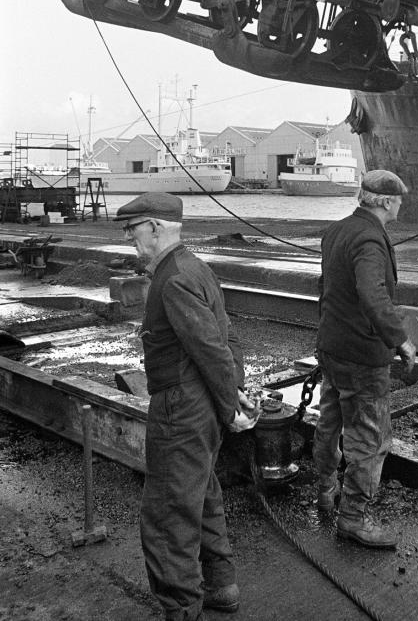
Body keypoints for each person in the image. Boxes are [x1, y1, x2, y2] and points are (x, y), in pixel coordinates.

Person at [115, 192, 258, 621]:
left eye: (133, 229)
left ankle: (181, 609)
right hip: (203, 403)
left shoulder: (172, 279)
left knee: (168, 512)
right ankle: (221, 585)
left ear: (155, 229)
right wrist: (233, 391)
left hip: (181, 404)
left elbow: (211, 347)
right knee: (202, 492)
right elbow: (226, 337)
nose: (129, 238)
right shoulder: (195, 267)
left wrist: (231, 402)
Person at [312, 169, 417, 549]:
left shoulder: (337, 230)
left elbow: (325, 287)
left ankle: (325, 489)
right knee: (370, 437)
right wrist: (400, 339)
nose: (401, 204)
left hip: (333, 347)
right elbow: (372, 294)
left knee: (330, 421)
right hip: (361, 354)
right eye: (399, 199)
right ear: (386, 202)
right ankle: (353, 519)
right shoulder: (371, 240)